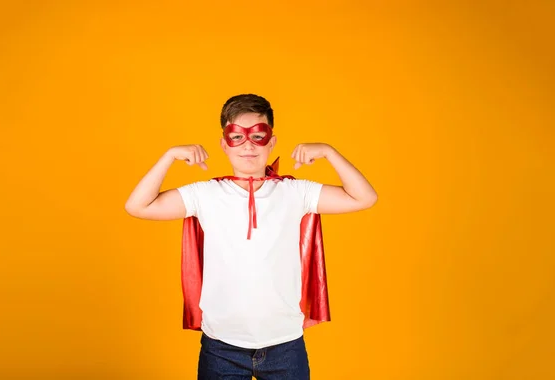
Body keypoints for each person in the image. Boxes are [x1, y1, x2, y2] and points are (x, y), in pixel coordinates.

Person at [125, 94, 377, 379]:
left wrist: (330, 152)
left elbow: (364, 198)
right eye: (237, 137)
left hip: (285, 344)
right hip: (221, 347)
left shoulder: (296, 192)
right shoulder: (205, 194)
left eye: (258, 135)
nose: (247, 145)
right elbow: (138, 206)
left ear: (271, 142)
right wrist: (169, 156)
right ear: (224, 144)